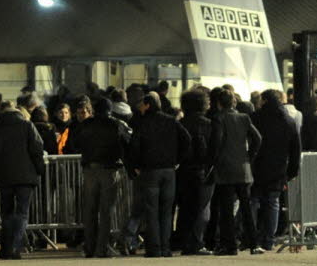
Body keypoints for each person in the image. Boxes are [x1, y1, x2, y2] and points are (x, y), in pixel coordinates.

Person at [127, 93, 191, 258]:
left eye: (142, 104)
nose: (140, 107)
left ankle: (154, 249)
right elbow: (186, 139)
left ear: (148, 105)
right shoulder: (171, 121)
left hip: (150, 171)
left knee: (151, 211)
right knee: (166, 211)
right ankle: (165, 248)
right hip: (169, 171)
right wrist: (178, 160)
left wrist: (135, 166)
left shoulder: (142, 123)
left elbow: (134, 146)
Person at [74, 96, 131, 258]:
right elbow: (128, 142)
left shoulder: (85, 125)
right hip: (110, 169)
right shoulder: (116, 124)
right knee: (106, 211)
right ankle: (102, 248)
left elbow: (74, 143)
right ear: (110, 109)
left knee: (90, 210)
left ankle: (89, 247)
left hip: (89, 170)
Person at [207, 88, 262, 256]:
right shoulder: (244, 118)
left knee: (226, 208)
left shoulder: (218, 118)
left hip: (225, 169)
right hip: (243, 169)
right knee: (246, 207)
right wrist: (249, 156)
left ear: (218, 103)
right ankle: (254, 243)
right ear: (234, 102)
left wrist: (212, 162)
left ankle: (229, 245)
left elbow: (216, 142)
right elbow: (257, 138)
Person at [0, 104, 44, 260]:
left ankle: (5, 248)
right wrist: (40, 170)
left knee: (7, 213)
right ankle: (16, 247)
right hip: (26, 177)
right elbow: (37, 148)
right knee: (22, 213)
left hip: (5, 177)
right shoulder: (27, 125)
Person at [249, 90, 300, 252]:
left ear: (264, 101)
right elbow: (295, 149)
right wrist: (291, 171)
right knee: (272, 203)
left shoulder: (255, 118)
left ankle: (250, 237)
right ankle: (268, 240)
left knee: (253, 201)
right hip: (278, 168)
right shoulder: (288, 121)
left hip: (256, 166)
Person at [174, 90, 213, 256]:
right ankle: (196, 242)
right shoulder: (208, 124)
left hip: (182, 170)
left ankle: (184, 241)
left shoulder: (180, 123)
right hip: (202, 170)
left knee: (185, 208)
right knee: (201, 208)